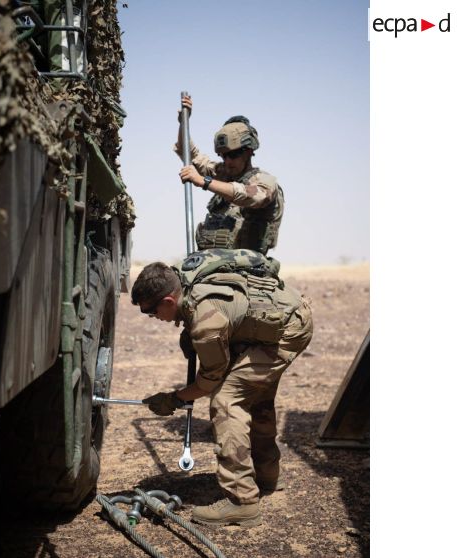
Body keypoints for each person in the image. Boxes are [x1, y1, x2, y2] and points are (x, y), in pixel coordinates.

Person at [132, 249, 313, 527]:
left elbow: (209, 381)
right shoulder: (183, 277)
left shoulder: (206, 322)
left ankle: (242, 503)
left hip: (287, 331)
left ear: (169, 299)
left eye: (151, 310)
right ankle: (267, 476)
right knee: (255, 394)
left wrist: (174, 398)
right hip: (275, 317)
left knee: (227, 401)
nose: (151, 316)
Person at [175, 96, 285, 255]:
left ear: (248, 152)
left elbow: (251, 195)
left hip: (248, 268)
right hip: (213, 263)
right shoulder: (223, 172)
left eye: (233, 155)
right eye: (223, 156)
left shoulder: (265, 181)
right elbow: (189, 153)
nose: (227, 161)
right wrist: (183, 124)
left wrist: (204, 181)